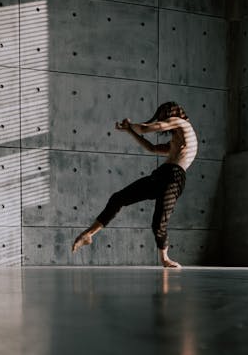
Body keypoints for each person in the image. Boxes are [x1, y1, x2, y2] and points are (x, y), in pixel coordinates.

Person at [72, 102, 198, 269]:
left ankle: (165, 259)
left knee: (158, 223)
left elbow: (149, 128)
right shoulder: (177, 140)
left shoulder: (182, 123)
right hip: (161, 174)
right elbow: (152, 148)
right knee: (118, 198)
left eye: (164, 115)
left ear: (172, 114)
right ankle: (88, 234)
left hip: (175, 177)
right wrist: (130, 131)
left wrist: (131, 125)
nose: (163, 119)